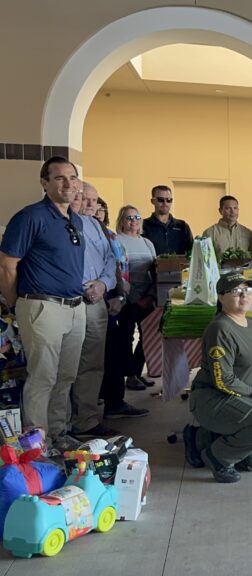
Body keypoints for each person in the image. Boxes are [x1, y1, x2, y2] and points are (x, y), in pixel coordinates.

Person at [0, 157, 87, 453]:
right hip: (42, 306)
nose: (68, 184)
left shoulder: (73, 219)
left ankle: (59, 433)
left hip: (75, 307)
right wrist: (17, 305)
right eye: (60, 178)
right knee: (43, 377)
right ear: (44, 183)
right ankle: (37, 445)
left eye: (72, 178)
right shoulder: (30, 217)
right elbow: (7, 265)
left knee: (66, 376)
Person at [183, 273, 252, 483]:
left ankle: (208, 436)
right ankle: (215, 455)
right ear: (221, 297)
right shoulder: (220, 328)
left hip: (247, 398)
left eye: (247, 290)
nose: (244, 295)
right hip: (217, 398)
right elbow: (223, 380)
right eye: (236, 291)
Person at [70, 182, 120, 439]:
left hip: (96, 301)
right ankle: (58, 426)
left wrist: (103, 284)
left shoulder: (96, 226)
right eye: (84, 198)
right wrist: (83, 287)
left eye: (94, 200)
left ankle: (85, 421)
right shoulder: (65, 222)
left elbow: (110, 260)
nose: (90, 204)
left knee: (92, 364)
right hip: (72, 299)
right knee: (65, 365)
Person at [103, 205, 156, 416]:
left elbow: (156, 271)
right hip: (125, 299)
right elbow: (117, 271)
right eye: (129, 217)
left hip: (146, 298)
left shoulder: (148, 243)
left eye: (137, 217)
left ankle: (135, 371)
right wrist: (131, 298)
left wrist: (150, 296)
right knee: (124, 339)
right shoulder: (117, 240)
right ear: (121, 220)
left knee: (148, 337)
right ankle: (129, 375)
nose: (134, 221)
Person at [202, 195, 252, 259]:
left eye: (235, 208)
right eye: (228, 208)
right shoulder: (209, 233)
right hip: (219, 269)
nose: (233, 212)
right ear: (220, 211)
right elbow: (205, 260)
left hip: (243, 269)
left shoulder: (248, 233)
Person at [142, 185, 193, 256]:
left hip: (180, 267)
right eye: (161, 200)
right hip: (152, 266)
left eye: (169, 200)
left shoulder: (182, 226)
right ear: (152, 201)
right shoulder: (143, 226)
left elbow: (192, 252)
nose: (165, 203)